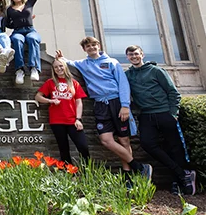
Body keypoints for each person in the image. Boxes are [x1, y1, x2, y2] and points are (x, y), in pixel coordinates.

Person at [56, 37, 153, 181]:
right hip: (100, 104)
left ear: (98, 46)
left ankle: (128, 175)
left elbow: (123, 84)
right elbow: (68, 63)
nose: (91, 48)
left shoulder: (112, 62)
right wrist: (61, 58)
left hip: (116, 102)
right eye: (88, 46)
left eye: (93, 45)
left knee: (124, 140)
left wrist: (125, 106)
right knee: (106, 139)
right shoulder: (83, 64)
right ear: (84, 49)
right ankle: (139, 167)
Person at [125, 45, 196, 195]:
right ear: (127, 58)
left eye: (136, 54)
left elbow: (173, 93)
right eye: (131, 55)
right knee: (147, 144)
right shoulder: (128, 75)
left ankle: (179, 181)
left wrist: (173, 114)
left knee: (175, 148)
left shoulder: (156, 71)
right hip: (146, 115)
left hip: (164, 113)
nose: (134, 57)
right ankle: (183, 174)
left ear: (142, 54)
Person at [34, 57, 90, 165]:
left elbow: (79, 102)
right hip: (57, 121)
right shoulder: (50, 82)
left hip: (72, 120)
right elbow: (38, 97)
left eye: (60, 66)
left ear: (65, 67)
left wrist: (78, 119)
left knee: (83, 147)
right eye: (56, 67)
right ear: (53, 69)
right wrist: (50, 100)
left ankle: (86, 173)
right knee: (63, 149)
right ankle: (69, 174)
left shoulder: (74, 83)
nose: (58, 69)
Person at [7, 0, 53, 85]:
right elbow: (7, 23)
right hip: (17, 31)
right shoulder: (9, 9)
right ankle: (19, 70)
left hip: (30, 30)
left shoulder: (29, 4)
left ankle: (34, 68)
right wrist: (18, 22)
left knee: (33, 39)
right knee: (17, 40)